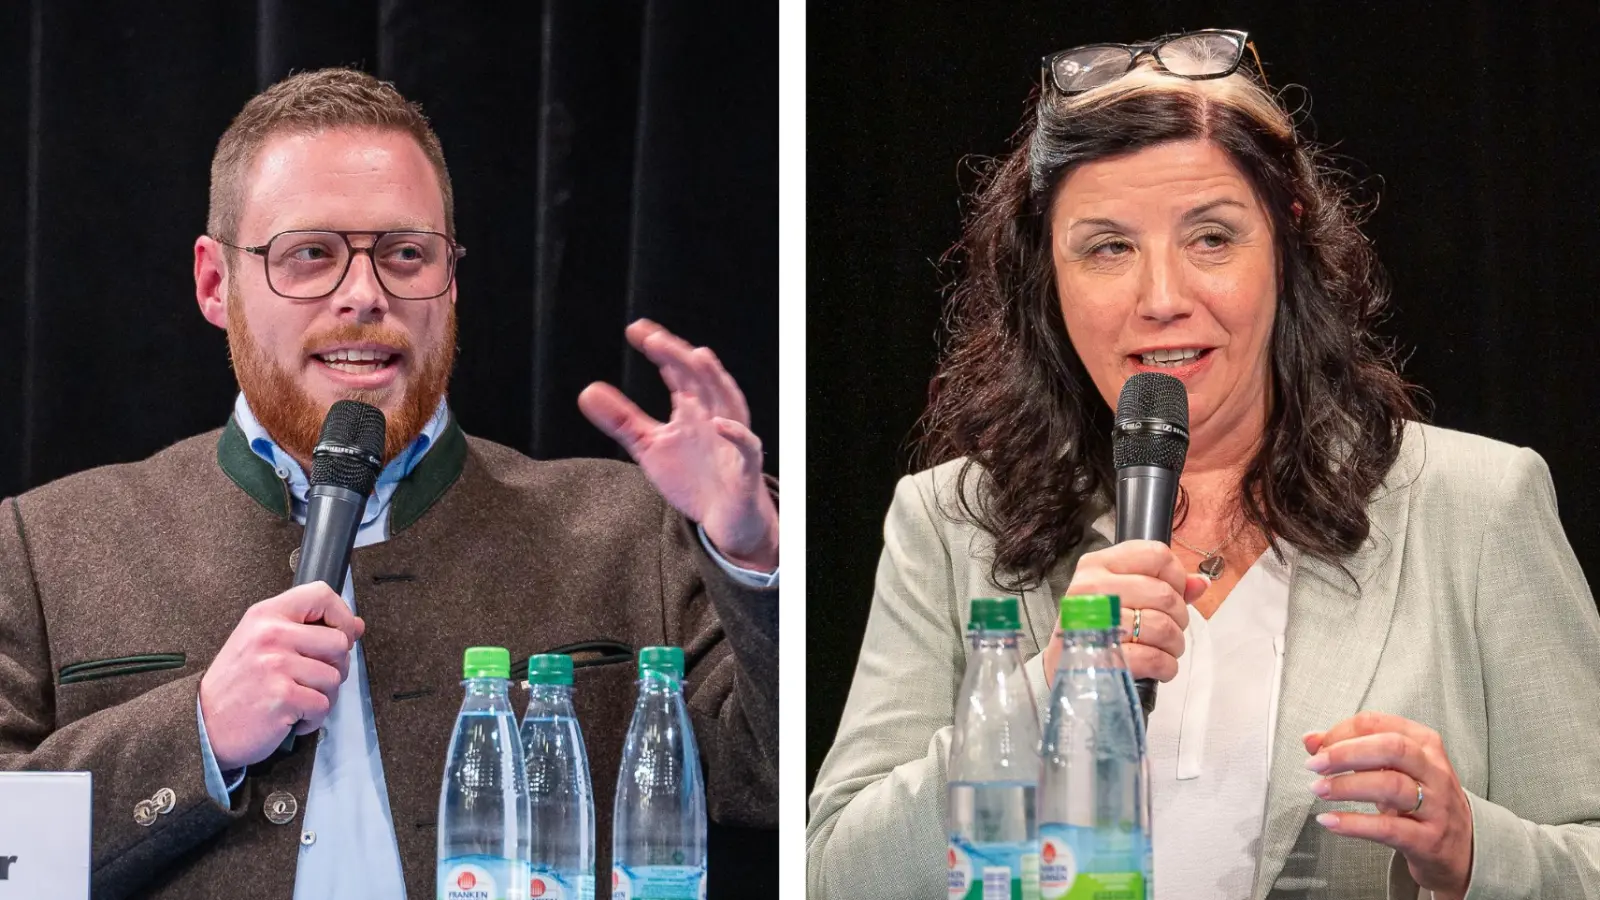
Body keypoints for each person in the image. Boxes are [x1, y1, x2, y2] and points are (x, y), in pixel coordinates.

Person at [807, 28, 1600, 900]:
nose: (1162, 299)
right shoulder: (951, 521)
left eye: (1212, 239)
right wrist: (1044, 692)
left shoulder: (1475, 505)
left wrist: (1472, 848)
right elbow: (839, 872)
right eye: (1108, 247)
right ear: (1047, 272)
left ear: (1286, 239)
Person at [0, 68, 778, 899]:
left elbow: (773, 784)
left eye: (406, 254)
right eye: (310, 256)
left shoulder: (628, 527)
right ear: (215, 284)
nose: (366, 296)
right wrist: (197, 732)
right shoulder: (46, 543)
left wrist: (753, 550)